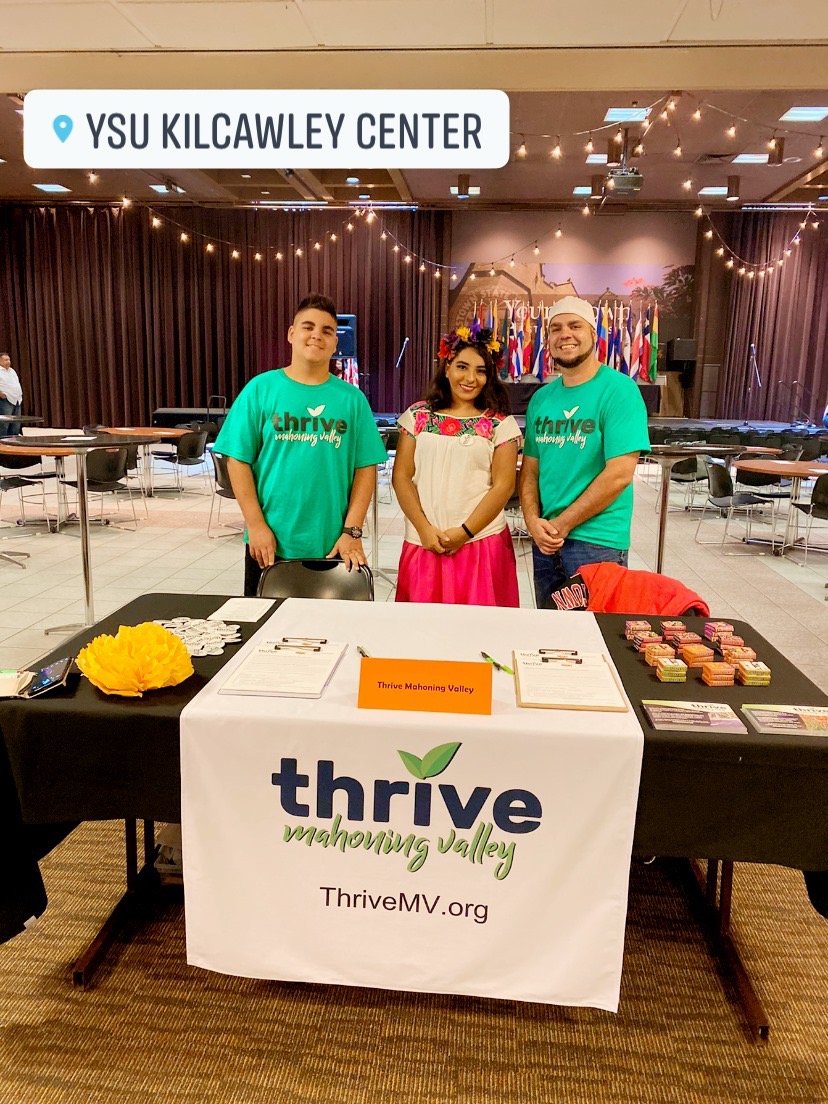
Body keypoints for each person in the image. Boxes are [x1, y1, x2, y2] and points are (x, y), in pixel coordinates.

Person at [213, 294, 387, 597]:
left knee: (333, 636)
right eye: (308, 327)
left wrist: (352, 531)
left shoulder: (352, 400)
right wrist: (255, 525)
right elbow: (237, 461)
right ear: (292, 334)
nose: (317, 335)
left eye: (327, 330)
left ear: (335, 343)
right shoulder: (261, 389)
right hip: (269, 543)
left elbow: (365, 468)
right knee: (265, 635)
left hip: (334, 544)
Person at [520, 296, 650, 610]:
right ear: (548, 340)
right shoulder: (541, 399)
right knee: (552, 638)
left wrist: (562, 524)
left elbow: (619, 474)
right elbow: (530, 471)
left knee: (597, 637)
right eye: (556, 328)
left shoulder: (620, 391)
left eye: (575, 326)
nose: (565, 334)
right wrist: (532, 521)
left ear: (593, 334)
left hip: (597, 542)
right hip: (547, 540)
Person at [393, 326, 522, 606]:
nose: (470, 378)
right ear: (447, 367)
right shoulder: (417, 416)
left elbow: (503, 486)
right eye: (462, 367)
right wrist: (424, 529)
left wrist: (464, 533)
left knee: (481, 633)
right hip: (424, 541)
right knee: (422, 633)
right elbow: (401, 477)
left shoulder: (500, 424)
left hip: (480, 544)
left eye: (480, 371)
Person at [0, 353, 23, 438]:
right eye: (6, 360)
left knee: (16, 423)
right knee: (4, 423)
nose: (8, 362)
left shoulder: (12, 370)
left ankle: (14, 441)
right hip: (5, 400)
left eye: (9, 360)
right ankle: (2, 442)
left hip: (16, 399)